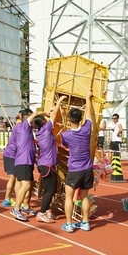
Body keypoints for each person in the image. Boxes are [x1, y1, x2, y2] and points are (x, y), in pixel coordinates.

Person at [60, 90, 95, 233]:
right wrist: (88, 98)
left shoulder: (66, 135)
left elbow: (64, 145)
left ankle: (69, 224)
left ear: (68, 119)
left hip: (75, 169)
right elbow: (90, 114)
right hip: (87, 169)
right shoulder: (87, 129)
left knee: (69, 197)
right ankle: (85, 222)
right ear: (81, 119)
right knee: (84, 197)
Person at [34, 96, 67, 223]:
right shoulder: (46, 129)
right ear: (43, 122)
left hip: (45, 163)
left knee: (49, 189)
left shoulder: (40, 132)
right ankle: (41, 212)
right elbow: (53, 115)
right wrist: (59, 101)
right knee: (51, 189)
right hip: (47, 164)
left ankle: (47, 210)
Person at [9, 109, 38, 221]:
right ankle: (16, 208)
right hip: (23, 161)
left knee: (27, 185)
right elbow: (35, 114)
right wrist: (45, 114)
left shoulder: (26, 129)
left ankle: (25, 206)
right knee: (25, 185)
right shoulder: (24, 126)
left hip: (27, 161)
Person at [1, 108, 33, 208]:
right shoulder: (22, 127)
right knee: (14, 178)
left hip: (13, 154)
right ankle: (8, 199)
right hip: (12, 154)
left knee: (16, 178)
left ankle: (15, 199)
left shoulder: (21, 126)